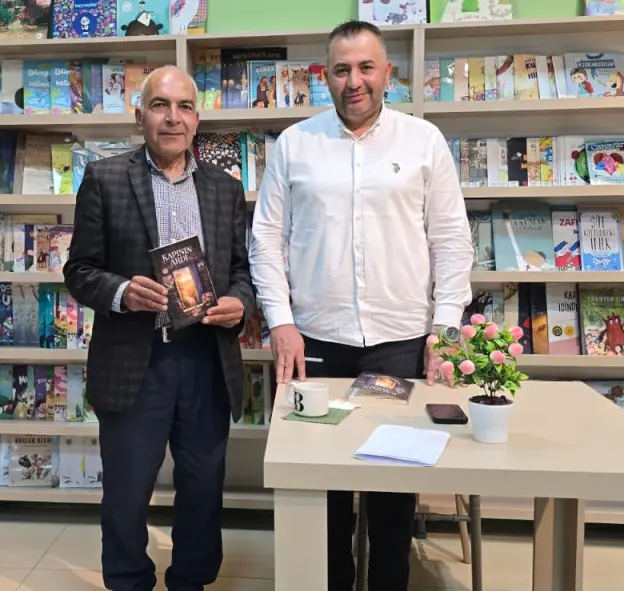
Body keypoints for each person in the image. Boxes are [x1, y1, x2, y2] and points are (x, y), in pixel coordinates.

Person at [248, 20, 474, 591]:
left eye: (366, 67)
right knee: (323, 500)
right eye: (342, 69)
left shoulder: (423, 141)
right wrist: (280, 322)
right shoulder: (295, 144)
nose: (355, 81)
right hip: (316, 343)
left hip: (400, 343)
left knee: (393, 502)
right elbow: (266, 240)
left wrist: (445, 328)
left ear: (387, 72)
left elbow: (452, 241)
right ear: (324, 76)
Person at [64, 65, 255, 591]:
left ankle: (191, 580)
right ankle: (129, 580)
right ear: (139, 115)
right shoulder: (105, 178)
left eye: (184, 106)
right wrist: (124, 292)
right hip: (136, 361)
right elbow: (79, 270)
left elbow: (242, 271)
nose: (173, 118)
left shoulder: (225, 188)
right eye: (160, 105)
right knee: (127, 492)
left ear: (197, 118)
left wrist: (238, 302)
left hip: (206, 359)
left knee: (203, 488)